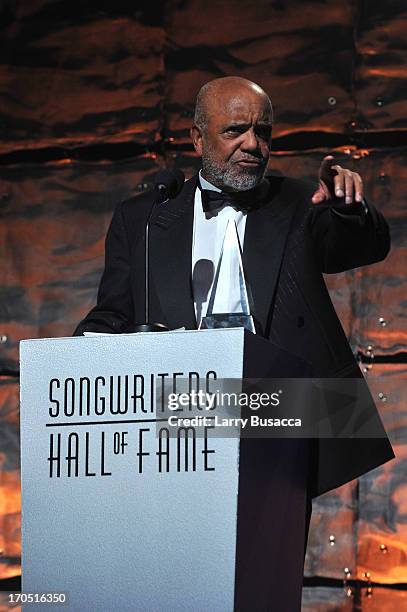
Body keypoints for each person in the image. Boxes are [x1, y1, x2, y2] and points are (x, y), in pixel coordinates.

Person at [74, 76, 394, 610]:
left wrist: (346, 207)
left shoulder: (299, 202)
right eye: (235, 130)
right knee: (177, 577)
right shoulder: (144, 219)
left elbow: (356, 245)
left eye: (263, 131)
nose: (253, 144)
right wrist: (80, 352)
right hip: (176, 413)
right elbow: (113, 311)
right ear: (197, 139)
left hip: (274, 410)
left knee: (261, 573)